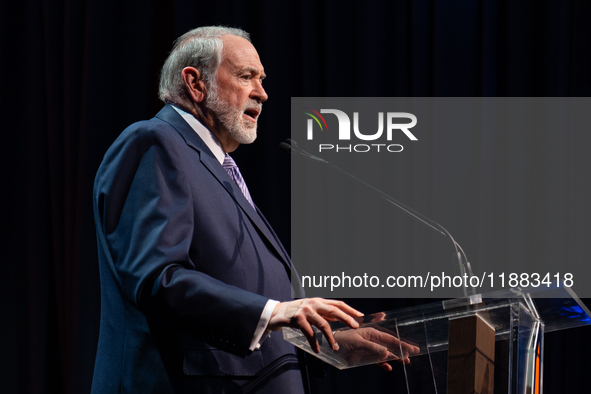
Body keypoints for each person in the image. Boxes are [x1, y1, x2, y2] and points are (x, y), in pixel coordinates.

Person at [91, 26, 366, 394]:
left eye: (262, 79)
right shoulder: (154, 143)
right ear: (196, 83)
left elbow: (244, 298)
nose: (262, 93)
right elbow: (157, 279)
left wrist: (330, 340)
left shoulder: (218, 166)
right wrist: (272, 312)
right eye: (246, 76)